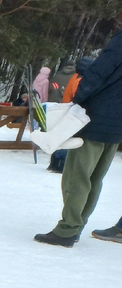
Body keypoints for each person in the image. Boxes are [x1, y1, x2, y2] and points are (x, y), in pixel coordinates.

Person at [35, 30, 122, 247]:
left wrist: (79, 98)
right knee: (95, 177)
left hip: (95, 117)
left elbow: (97, 73)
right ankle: (77, 224)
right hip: (116, 122)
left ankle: (68, 229)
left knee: (77, 176)